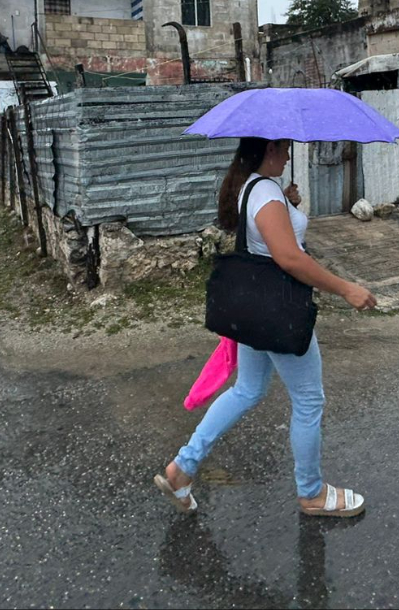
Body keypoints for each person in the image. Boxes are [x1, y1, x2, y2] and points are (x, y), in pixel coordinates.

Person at [155, 136, 378, 518]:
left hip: (254, 309)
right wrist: (346, 289)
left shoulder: (252, 188)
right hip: (278, 311)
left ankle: (182, 467)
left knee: (247, 389)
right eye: (285, 148)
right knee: (309, 401)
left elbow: (264, 237)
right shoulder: (266, 194)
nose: (289, 155)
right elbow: (290, 258)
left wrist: (287, 206)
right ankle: (311, 493)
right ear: (269, 150)